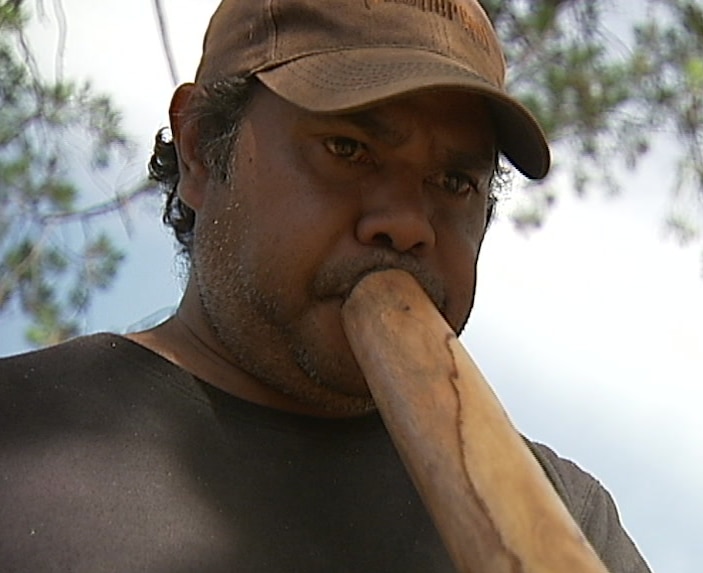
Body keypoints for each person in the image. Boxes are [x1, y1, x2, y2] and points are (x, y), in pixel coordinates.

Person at [0, 0, 651, 571]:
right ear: (200, 147)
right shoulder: (21, 433)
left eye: (455, 183)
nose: (405, 224)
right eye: (347, 147)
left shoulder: (565, 517)